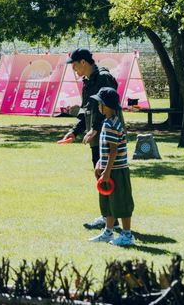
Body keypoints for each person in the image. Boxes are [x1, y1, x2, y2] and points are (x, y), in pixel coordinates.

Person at [61, 49, 121, 230]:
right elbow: (85, 110)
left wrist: (95, 128)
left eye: (74, 64)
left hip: (108, 135)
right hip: (95, 137)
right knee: (100, 174)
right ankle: (108, 216)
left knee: (110, 174)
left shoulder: (103, 78)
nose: (73, 69)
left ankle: (113, 218)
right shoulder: (87, 82)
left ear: (83, 62)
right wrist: (74, 132)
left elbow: (108, 107)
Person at [87, 87, 135, 246]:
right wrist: (100, 163)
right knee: (109, 202)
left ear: (105, 105)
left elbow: (113, 151)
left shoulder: (110, 124)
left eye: (99, 103)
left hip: (116, 171)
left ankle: (127, 235)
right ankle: (108, 232)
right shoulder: (109, 122)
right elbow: (107, 149)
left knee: (121, 202)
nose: (98, 106)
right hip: (109, 169)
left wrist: (106, 172)